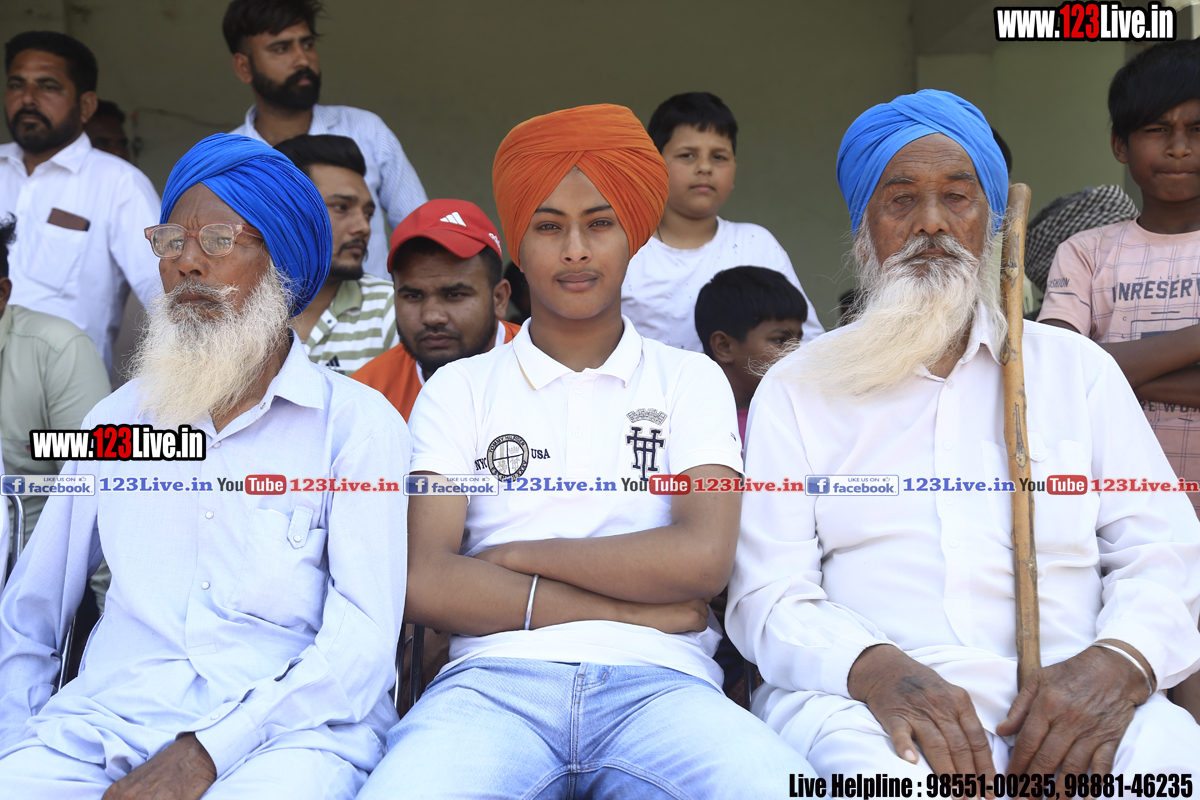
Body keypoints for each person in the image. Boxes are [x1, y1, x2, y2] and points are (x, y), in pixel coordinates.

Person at [727, 89, 1200, 778]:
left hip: (1080, 696)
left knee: (1172, 773)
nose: (932, 223)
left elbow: (1164, 550)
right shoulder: (800, 387)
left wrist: (1116, 663)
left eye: (957, 198)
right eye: (901, 200)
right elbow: (767, 593)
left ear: (990, 222)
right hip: (869, 705)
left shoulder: (1075, 370)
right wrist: (874, 669)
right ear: (864, 227)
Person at [358, 103, 811, 800]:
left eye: (599, 224)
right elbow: (426, 577)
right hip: (489, 687)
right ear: (518, 244)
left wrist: (512, 557)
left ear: (633, 237)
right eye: (549, 226)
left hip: (665, 688)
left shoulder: (690, 380)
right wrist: (633, 610)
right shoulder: (458, 389)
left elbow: (702, 559)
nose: (575, 249)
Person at [0, 133, 410, 799]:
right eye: (170, 242)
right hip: (101, 727)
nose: (186, 264)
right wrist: (17, 739)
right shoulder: (115, 424)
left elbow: (361, 647)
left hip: (289, 739)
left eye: (219, 240)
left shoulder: (354, 428)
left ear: (281, 263)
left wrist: (205, 752)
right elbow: (30, 615)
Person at [1038, 39, 1200, 723]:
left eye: (1196, 129)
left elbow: (1085, 370)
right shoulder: (1086, 253)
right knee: (1153, 677)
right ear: (1119, 144)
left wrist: (1109, 370)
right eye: (1158, 130)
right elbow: (1057, 377)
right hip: (1122, 516)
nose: (1179, 148)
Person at [224, 0, 426, 279]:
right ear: (244, 67)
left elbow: (422, 233)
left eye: (307, 44)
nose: (303, 60)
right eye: (281, 48)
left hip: (374, 306)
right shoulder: (226, 159)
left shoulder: (366, 131)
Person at [2, 31, 161, 371]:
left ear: (86, 105)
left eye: (47, 86)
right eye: (16, 84)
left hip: (64, 385)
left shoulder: (120, 184)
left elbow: (166, 296)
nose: (27, 98)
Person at [620, 91, 823, 351]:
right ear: (654, 166)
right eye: (687, 155)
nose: (705, 167)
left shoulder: (755, 244)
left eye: (719, 157)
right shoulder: (627, 250)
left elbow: (806, 344)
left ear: (734, 167)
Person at [353, 199, 518, 421]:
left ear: (499, 299)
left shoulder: (551, 371)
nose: (431, 317)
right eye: (413, 296)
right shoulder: (366, 397)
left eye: (454, 295)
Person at [275, 134, 396, 375]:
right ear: (285, 212)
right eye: (341, 207)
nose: (363, 227)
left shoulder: (392, 309)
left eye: (368, 213)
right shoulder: (235, 307)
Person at [695, 265, 807, 448]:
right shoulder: (691, 422)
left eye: (798, 340)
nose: (795, 352)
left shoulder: (803, 418)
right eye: (779, 340)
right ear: (724, 347)